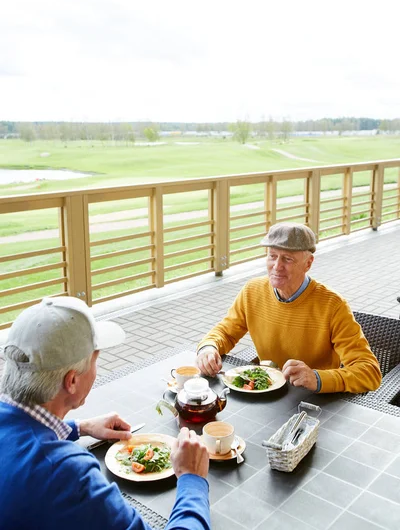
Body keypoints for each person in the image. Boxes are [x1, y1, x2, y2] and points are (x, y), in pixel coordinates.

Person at [0, 297, 210, 530]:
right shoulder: (68, 474)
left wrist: (80, 427)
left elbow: (20, 439)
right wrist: (192, 478)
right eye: (96, 361)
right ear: (71, 381)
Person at [197, 222, 381, 394]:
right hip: (266, 392)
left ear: (308, 263)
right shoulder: (252, 291)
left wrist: (317, 378)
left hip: (315, 398)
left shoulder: (333, 305)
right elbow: (225, 332)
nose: (277, 267)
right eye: (272, 256)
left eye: (287, 259)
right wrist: (208, 348)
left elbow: (370, 372)